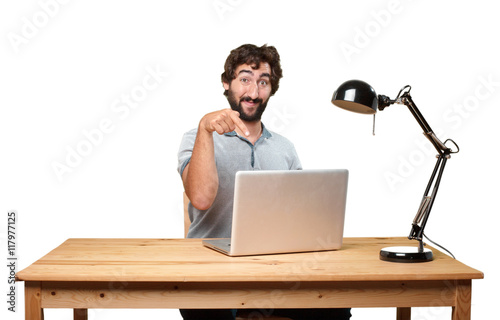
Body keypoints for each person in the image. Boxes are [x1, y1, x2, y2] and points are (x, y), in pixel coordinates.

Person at [177, 44, 351, 320]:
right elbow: (200, 197)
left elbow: (301, 217)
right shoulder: (198, 138)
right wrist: (204, 128)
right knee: (207, 310)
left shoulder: (285, 148)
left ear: (272, 88)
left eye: (263, 82)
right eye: (244, 79)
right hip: (210, 270)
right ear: (227, 83)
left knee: (335, 308)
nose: (254, 92)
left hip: (275, 270)